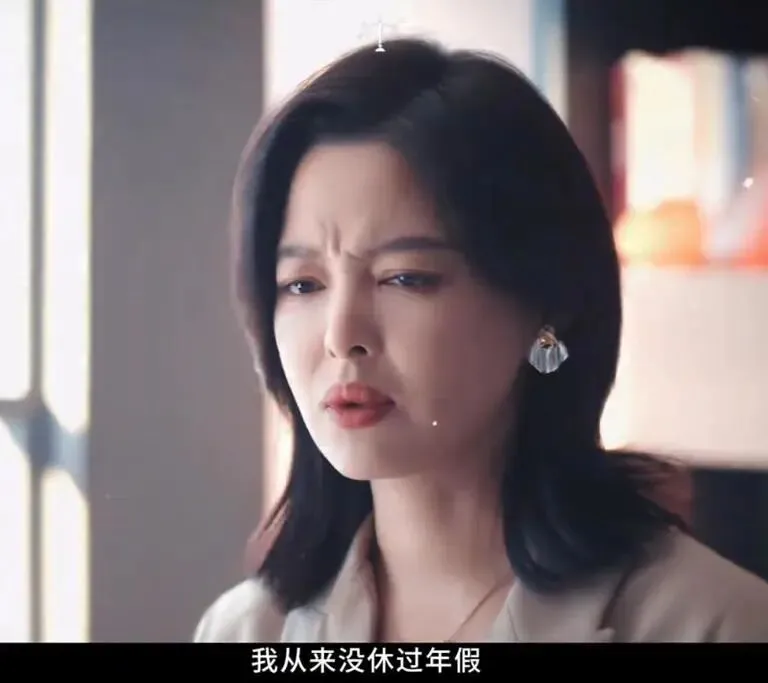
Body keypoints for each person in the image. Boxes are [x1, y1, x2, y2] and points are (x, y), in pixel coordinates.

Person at [193, 38, 768, 642]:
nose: (342, 337)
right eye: (303, 284)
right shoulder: (246, 631)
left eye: (405, 277)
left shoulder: (711, 623)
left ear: (545, 301)